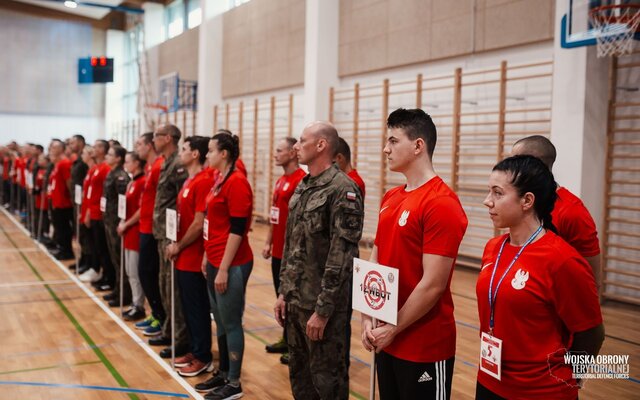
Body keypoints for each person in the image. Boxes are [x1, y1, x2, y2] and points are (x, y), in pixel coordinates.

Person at [476, 155, 604, 399]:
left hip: (541, 391)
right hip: (490, 381)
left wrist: (568, 377)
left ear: (527, 200)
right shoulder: (493, 247)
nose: (487, 201)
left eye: (497, 193)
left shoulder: (562, 260)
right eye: (488, 192)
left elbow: (591, 333)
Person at [361, 108, 467, 400]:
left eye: (394, 141)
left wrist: (392, 327)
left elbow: (433, 285)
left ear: (418, 145)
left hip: (424, 345)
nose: (386, 149)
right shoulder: (391, 197)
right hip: (386, 337)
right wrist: (367, 315)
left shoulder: (441, 203)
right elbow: (376, 263)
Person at [274, 121, 364, 400]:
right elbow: (293, 245)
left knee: (328, 383)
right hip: (296, 301)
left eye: (302, 141)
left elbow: (342, 256)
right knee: (300, 379)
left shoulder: (343, 189)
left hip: (322, 309)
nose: (296, 147)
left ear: (322, 145)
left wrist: (323, 311)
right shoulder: (304, 185)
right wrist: (283, 293)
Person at [200, 132, 253, 400]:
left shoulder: (238, 183)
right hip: (216, 260)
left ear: (223, 154)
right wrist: (207, 257)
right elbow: (213, 223)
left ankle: (234, 383)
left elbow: (238, 229)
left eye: (210, 150)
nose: (206, 155)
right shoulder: (219, 180)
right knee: (219, 321)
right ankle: (222, 373)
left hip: (232, 264)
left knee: (231, 323)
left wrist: (222, 268)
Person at [510, 135, 601, 286]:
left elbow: (591, 275)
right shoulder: (521, 201)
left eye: (515, 160)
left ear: (534, 163)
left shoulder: (572, 211)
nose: (509, 166)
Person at [165, 136, 215, 377]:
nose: (181, 153)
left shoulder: (204, 181)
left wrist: (180, 245)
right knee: (188, 306)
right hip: (183, 254)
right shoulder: (188, 180)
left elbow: (198, 222)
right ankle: (195, 351)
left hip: (194, 256)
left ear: (196, 154)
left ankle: (204, 356)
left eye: (184, 149)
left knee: (197, 308)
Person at [261, 137, 306, 364]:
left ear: (292, 152)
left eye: (280, 150)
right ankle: (286, 337)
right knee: (280, 295)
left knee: (292, 297)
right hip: (277, 250)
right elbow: (274, 214)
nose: (275, 154)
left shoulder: (301, 180)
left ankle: (295, 343)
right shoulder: (280, 181)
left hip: (292, 252)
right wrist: (269, 241)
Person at [152, 124, 189, 358]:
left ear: (167, 138)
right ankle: (168, 329)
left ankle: (180, 338)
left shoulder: (178, 164)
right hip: (161, 231)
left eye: (156, 136)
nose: (154, 140)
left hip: (170, 233)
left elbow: (181, 204)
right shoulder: (167, 162)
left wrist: (175, 237)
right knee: (164, 285)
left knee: (171, 287)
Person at [134, 133, 167, 337]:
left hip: (153, 228)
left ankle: (160, 315)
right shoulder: (149, 167)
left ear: (149, 146)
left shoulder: (159, 166)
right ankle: (155, 312)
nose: (136, 147)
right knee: (144, 273)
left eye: (140, 144)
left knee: (148, 272)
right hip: (144, 225)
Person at [117, 151, 147, 321]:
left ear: (136, 163)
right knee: (129, 270)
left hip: (135, 231)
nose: (125, 165)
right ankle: (135, 303)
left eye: (128, 162)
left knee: (135, 271)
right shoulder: (132, 182)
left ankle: (139, 305)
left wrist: (127, 224)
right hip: (127, 231)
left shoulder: (142, 182)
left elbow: (141, 209)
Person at [79, 140, 113, 284]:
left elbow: (103, 193)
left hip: (98, 212)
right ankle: (98, 271)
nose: (94, 148)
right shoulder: (96, 168)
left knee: (102, 247)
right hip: (91, 210)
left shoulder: (105, 168)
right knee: (95, 245)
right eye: (94, 145)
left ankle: (106, 275)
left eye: (98, 146)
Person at [101, 145, 131, 302]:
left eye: (111, 154)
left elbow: (123, 202)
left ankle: (124, 294)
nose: (107, 156)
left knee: (120, 260)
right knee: (114, 259)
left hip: (116, 222)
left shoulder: (121, 176)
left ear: (118, 158)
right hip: (109, 220)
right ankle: (117, 289)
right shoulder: (111, 173)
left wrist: (122, 221)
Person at [47, 139, 75, 260]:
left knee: (64, 228)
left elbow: (69, 182)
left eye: (55, 147)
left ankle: (67, 251)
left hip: (63, 203)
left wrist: (71, 198)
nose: (52, 148)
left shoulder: (64, 163)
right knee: (59, 228)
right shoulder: (57, 164)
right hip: (56, 201)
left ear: (61, 149)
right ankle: (62, 248)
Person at [69, 134, 90, 272]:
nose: (71, 145)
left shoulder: (84, 164)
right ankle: (82, 259)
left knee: (85, 235)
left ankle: (87, 263)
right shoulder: (77, 161)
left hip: (84, 203)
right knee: (80, 235)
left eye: (73, 143)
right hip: (76, 202)